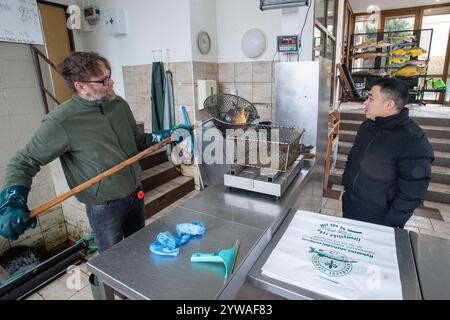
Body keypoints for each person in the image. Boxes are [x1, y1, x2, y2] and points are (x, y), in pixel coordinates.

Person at [0, 51, 188, 249]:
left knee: (139, 250)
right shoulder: (61, 121)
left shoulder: (119, 105)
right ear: (81, 87)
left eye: (109, 75)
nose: (112, 82)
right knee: (110, 263)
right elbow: (23, 161)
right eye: (104, 80)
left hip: (135, 193)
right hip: (104, 207)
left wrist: (167, 136)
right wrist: (12, 200)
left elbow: (138, 141)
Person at [342, 77, 434, 228]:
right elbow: (353, 160)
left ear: (389, 104)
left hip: (379, 220)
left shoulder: (413, 141)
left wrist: (389, 225)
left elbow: (412, 192)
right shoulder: (367, 127)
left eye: (371, 98)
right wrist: (346, 189)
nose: (365, 103)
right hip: (351, 209)